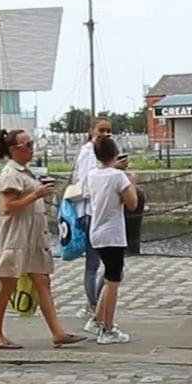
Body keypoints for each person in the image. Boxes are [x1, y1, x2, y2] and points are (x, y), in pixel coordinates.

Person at [0, 129, 84, 350]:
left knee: (43, 282)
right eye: (28, 145)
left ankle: (58, 333)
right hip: (14, 238)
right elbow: (8, 206)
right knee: (7, 285)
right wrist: (36, 194)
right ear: (14, 150)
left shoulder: (25, 171)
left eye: (32, 144)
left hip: (31, 237)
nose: (32, 149)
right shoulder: (10, 173)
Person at [84, 134, 139, 344]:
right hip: (113, 234)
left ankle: (97, 318)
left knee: (109, 277)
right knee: (114, 281)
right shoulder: (118, 177)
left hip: (96, 232)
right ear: (115, 154)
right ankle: (107, 329)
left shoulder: (92, 175)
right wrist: (131, 182)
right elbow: (132, 203)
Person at [72, 117, 111, 331]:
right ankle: (94, 304)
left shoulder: (101, 151)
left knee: (106, 264)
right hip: (89, 212)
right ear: (92, 131)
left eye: (108, 131)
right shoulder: (89, 152)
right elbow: (86, 185)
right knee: (94, 264)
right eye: (101, 130)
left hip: (99, 212)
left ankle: (96, 302)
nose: (105, 134)